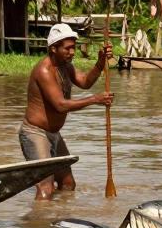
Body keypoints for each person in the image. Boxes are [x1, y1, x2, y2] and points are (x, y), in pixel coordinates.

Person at [21, 23, 113, 200]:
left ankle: (59, 219)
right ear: (54, 48)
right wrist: (95, 99)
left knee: (68, 184)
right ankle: (38, 226)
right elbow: (60, 105)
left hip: (54, 133)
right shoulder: (44, 70)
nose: (72, 52)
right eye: (68, 48)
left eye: (74, 48)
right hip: (35, 133)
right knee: (46, 188)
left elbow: (85, 82)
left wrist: (100, 62)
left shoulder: (66, 67)